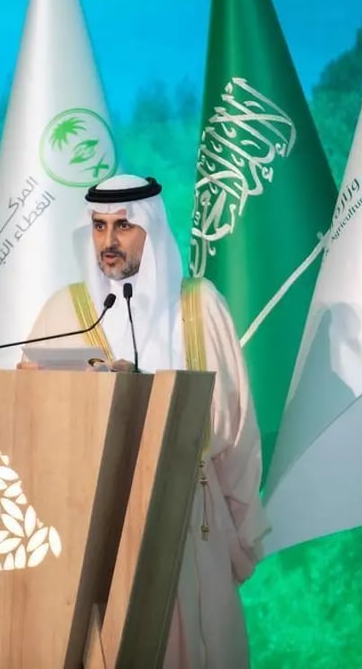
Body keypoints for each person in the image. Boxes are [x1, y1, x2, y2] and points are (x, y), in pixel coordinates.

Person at [18, 174, 268, 668]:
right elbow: (29, 430)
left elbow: (236, 433)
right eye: (99, 226)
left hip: (187, 522)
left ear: (150, 229)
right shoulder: (64, 312)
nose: (108, 241)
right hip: (89, 526)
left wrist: (237, 532)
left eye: (123, 226)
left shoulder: (200, 306)